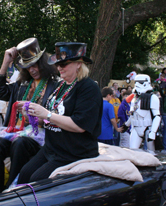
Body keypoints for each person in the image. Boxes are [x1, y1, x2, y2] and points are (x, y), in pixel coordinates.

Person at [17, 41, 102, 184]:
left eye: (63, 64)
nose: (59, 68)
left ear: (79, 63)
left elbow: (80, 125)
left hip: (73, 153)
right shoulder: (60, 85)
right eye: (57, 64)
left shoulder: (89, 88)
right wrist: (32, 117)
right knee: (24, 174)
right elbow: (52, 120)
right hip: (52, 149)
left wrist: (46, 114)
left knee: (36, 181)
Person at [0, 38, 58, 193]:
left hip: (40, 137)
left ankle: (13, 193)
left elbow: (55, 116)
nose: (32, 69)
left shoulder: (55, 85)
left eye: (35, 64)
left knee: (20, 143)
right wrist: (5, 62)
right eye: (28, 66)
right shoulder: (22, 85)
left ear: (44, 63)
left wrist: (32, 112)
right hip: (17, 132)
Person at [121, 74, 161, 153]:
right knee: (133, 151)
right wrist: (126, 125)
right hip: (136, 128)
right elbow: (133, 114)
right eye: (136, 82)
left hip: (148, 128)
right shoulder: (135, 98)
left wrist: (153, 132)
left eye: (140, 82)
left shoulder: (152, 97)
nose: (137, 84)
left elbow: (157, 116)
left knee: (151, 153)